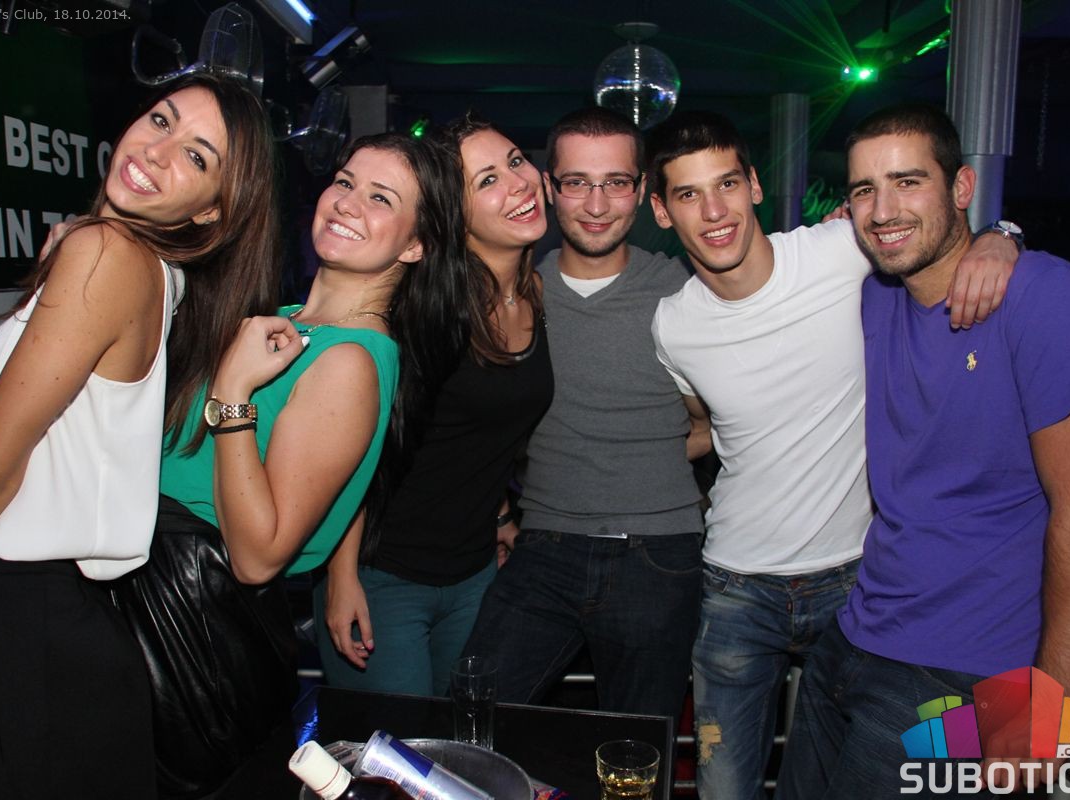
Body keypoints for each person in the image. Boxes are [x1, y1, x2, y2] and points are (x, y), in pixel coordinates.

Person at [0, 73, 278, 800]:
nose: (157, 149)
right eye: (161, 119)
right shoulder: (150, 273)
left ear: (212, 211)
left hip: (11, 623)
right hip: (52, 629)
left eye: (197, 156)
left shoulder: (110, 255)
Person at [645, 110, 1020, 800]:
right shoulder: (674, 326)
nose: (715, 211)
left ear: (755, 185)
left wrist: (1003, 236)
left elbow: (932, 227)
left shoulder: (841, 251)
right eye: (688, 194)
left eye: (727, 184)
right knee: (723, 786)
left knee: (838, 779)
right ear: (662, 212)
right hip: (735, 587)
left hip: (859, 580)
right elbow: (704, 429)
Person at [776, 103, 1070, 798]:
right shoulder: (873, 296)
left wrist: (1044, 723)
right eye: (865, 189)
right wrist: (1001, 233)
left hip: (969, 674)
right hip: (853, 640)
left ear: (962, 187)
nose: (884, 210)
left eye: (908, 181)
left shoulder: (1044, 297)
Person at [114, 132, 468, 798]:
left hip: (196, 626)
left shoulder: (350, 361)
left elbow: (258, 556)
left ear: (416, 245)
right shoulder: (282, 322)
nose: (347, 202)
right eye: (345, 181)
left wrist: (233, 394)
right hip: (150, 593)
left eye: (381, 198)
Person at [460, 107, 706, 721]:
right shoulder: (520, 297)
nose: (596, 205)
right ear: (549, 187)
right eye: (577, 182)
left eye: (616, 182)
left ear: (642, 191)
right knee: (473, 723)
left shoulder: (684, 292)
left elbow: (719, 423)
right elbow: (478, 423)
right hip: (543, 547)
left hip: (660, 554)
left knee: (638, 749)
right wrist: (499, 513)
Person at [319, 114, 554, 697]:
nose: (518, 183)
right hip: (384, 575)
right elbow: (362, 452)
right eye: (487, 180)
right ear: (454, 215)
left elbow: (481, 429)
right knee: (396, 748)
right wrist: (341, 575)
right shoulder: (425, 312)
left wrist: (500, 516)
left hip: (474, 572)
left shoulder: (533, 294)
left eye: (516, 162)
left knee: (460, 741)